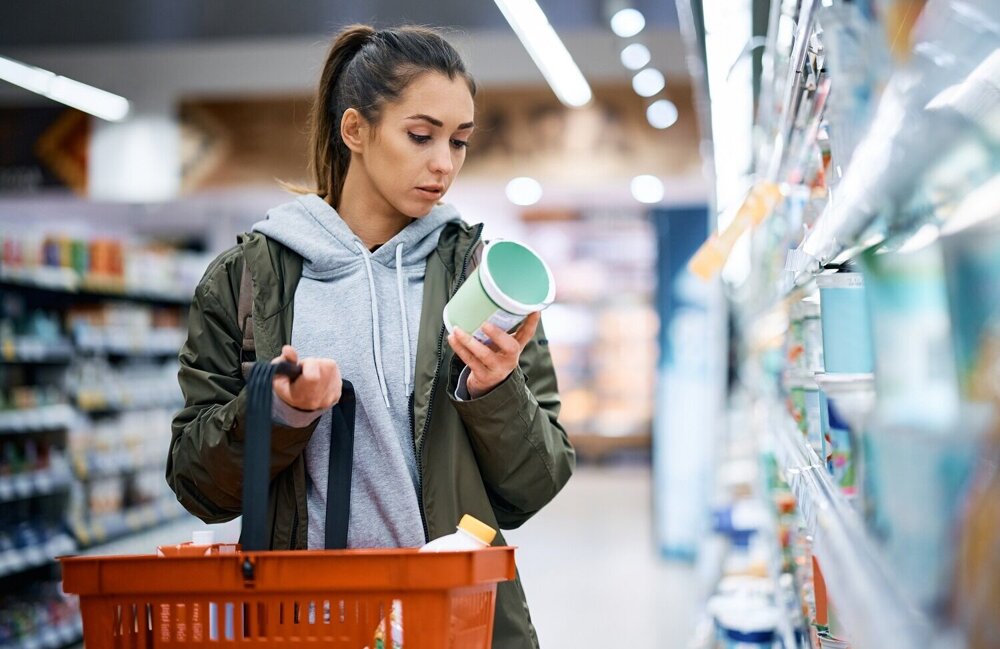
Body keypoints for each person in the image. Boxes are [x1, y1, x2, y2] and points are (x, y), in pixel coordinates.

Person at [167, 24, 575, 648]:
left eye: (459, 141)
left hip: (451, 620)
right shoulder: (248, 281)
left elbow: (534, 485)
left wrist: (496, 391)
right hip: (303, 623)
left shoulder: (481, 280)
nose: (443, 162)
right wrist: (278, 412)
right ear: (354, 129)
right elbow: (199, 485)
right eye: (421, 135)